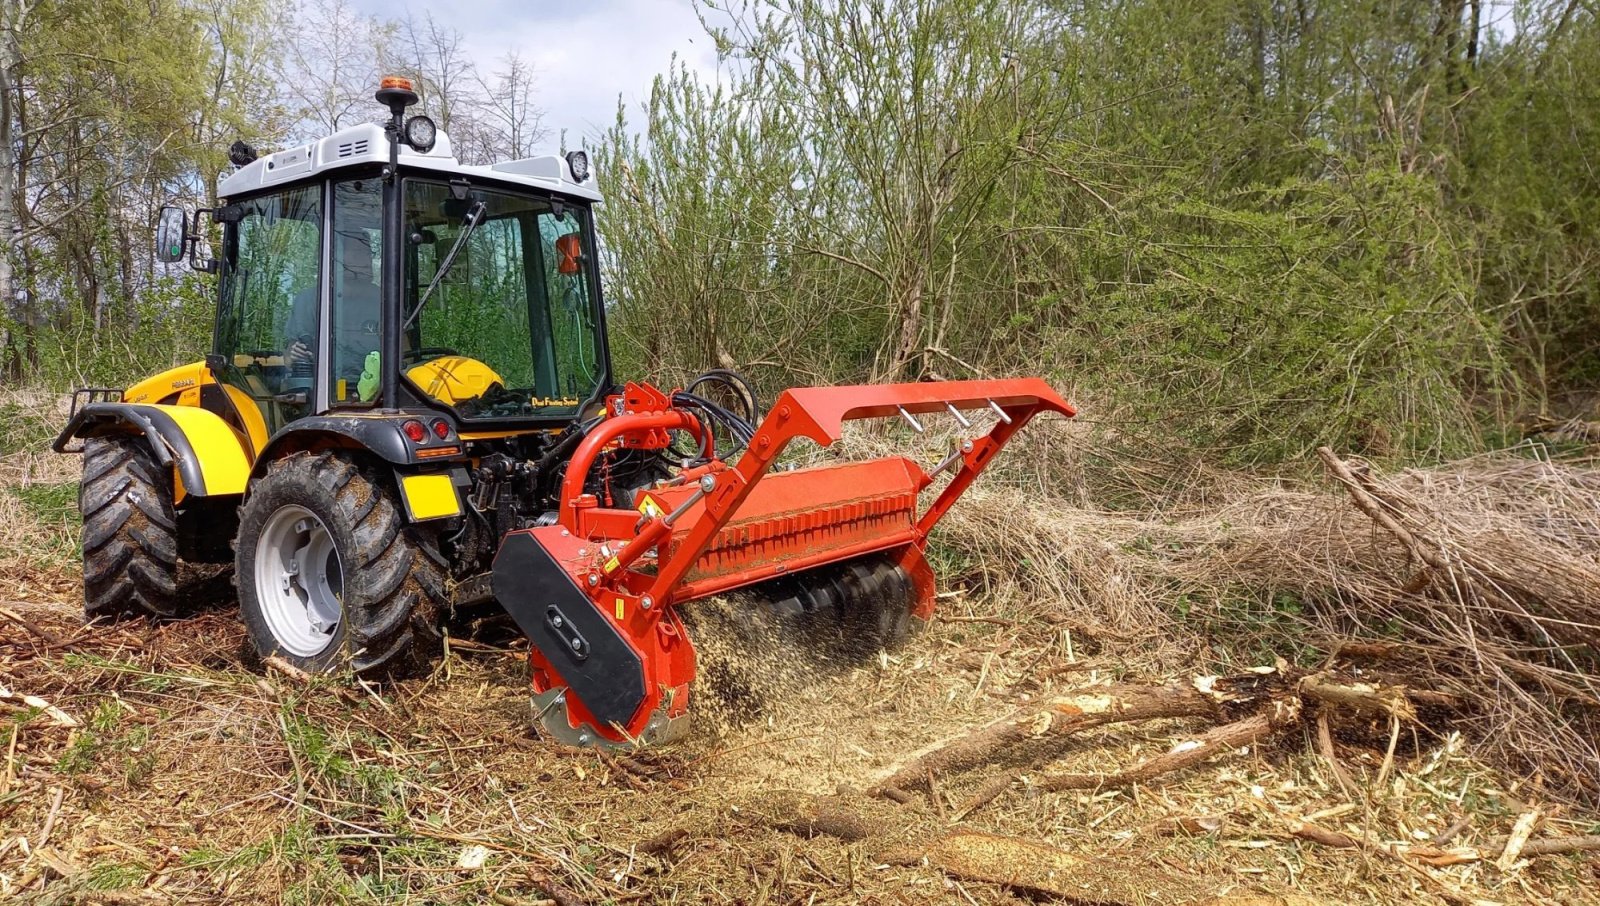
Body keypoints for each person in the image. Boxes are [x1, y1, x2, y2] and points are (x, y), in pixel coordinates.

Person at [285, 229, 383, 401]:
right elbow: (287, 360)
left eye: (368, 252)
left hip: (381, 396)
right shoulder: (310, 300)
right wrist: (294, 354)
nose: (367, 258)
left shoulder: (385, 300)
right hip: (321, 396)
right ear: (337, 256)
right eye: (358, 252)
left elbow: (405, 355)